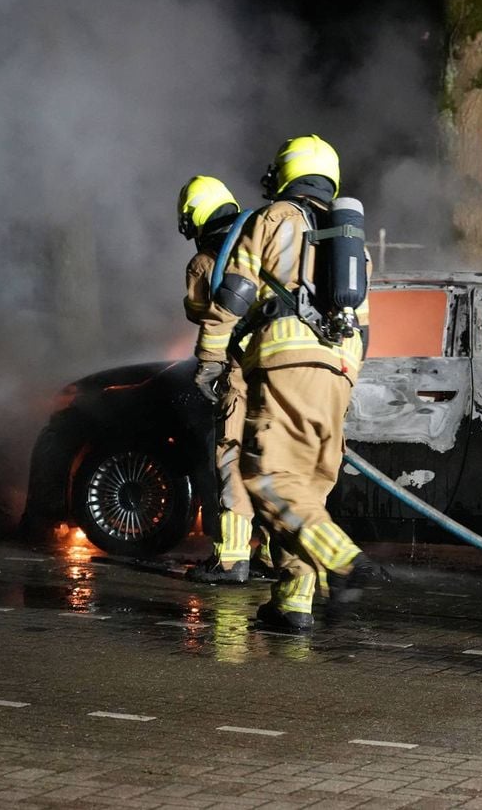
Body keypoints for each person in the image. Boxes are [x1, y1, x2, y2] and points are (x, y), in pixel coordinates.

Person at [198, 135, 373, 632]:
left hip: (285, 365)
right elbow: (364, 329)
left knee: (267, 478)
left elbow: (234, 294)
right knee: (306, 491)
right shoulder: (352, 245)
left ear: (286, 173)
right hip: (339, 375)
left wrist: (210, 359)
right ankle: (293, 603)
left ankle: (344, 564)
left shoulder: (273, 219)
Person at [175, 175, 273, 584]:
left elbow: (203, 313)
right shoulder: (263, 240)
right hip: (281, 368)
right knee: (273, 460)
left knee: (232, 457)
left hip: (239, 371)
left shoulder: (205, 260)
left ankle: (231, 559)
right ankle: (274, 555)